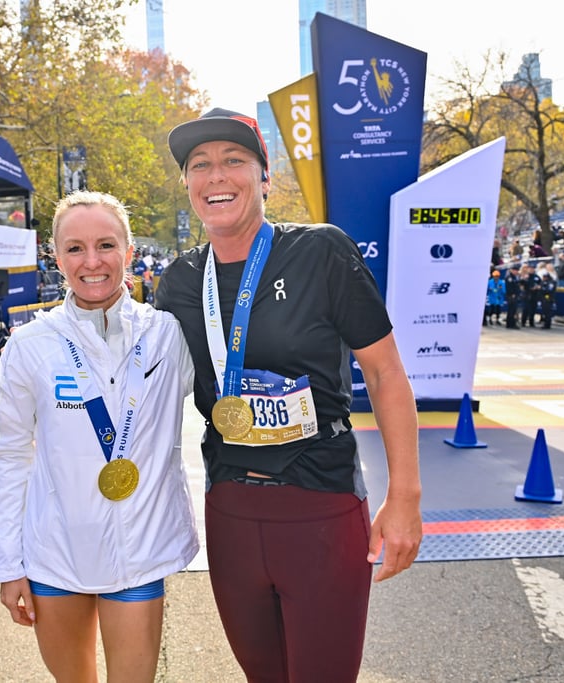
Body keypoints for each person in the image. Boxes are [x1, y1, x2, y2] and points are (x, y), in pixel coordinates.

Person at [155, 108, 422, 681]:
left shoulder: (321, 251)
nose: (216, 176)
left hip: (320, 504)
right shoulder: (177, 282)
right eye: (200, 165)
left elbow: (386, 375)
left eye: (234, 161)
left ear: (264, 177)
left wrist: (405, 498)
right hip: (229, 510)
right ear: (187, 184)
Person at [0, 190, 198, 682]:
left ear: (128, 252)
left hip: (139, 554)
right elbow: (11, 456)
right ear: (56, 256)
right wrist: (8, 564)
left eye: (106, 245)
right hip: (53, 553)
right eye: (75, 248)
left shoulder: (167, 334)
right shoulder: (29, 345)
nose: (92, 262)